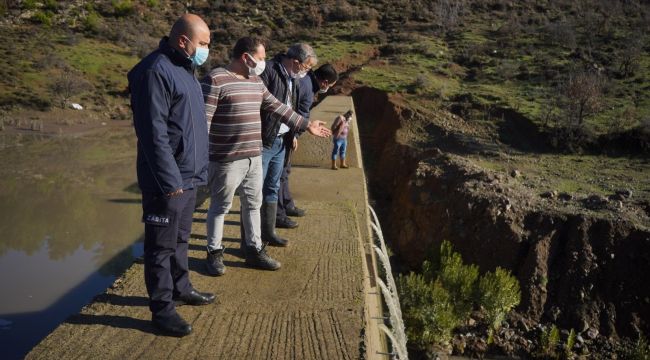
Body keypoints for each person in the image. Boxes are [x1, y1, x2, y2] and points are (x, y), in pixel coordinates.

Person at [201, 37, 331, 276]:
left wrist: (306, 124)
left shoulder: (255, 82)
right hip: (226, 159)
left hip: (254, 154)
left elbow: (278, 107)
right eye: (261, 58)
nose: (264, 62)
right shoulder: (216, 79)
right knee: (221, 206)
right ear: (246, 57)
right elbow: (202, 123)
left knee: (253, 204)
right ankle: (214, 253)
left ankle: (254, 249)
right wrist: (201, 160)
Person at [128, 14, 215, 337]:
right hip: (168, 182)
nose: (207, 50)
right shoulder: (154, 71)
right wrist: (170, 182)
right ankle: (162, 310)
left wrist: (196, 173)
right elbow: (154, 135)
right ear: (183, 41)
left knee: (180, 240)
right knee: (160, 247)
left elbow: (190, 128)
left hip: (189, 177)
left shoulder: (186, 70)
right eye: (203, 44)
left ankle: (182, 288)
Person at [258, 44, 317, 239]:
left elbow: (293, 108)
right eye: (306, 67)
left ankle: (268, 232)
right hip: (265, 141)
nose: (306, 72)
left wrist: (294, 134)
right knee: (255, 191)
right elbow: (263, 106)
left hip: (282, 141)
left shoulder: (294, 77)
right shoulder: (268, 71)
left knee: (273, 186)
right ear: (295, 62)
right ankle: (252, 240)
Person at [274, 64, 339, 228]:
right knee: (280, 175)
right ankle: (278, 215)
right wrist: (295, 135)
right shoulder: (307, 88)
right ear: (324, 82)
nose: (328, 89)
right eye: (330, 85)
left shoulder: (305, 80)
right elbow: (299, 113)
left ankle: (287, 205)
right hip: (286, 133)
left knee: (284, 172)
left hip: (286, 131)